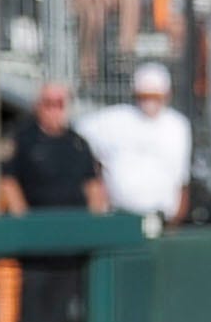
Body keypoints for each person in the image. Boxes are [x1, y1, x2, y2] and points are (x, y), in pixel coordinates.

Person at [0, 82, 106, 322]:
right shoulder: (24, 139)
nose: (55, 109)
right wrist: (24, 218)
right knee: (33, 300)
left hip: (71, 239)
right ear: (38, 106)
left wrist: (96, 222)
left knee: (60, 302)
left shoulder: (77, 143)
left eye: (60, 103)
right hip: (36, 239)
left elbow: (93, 185)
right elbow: (8, 180)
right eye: (49, 103)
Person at [78, 62, 192, 231]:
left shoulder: (178, 125)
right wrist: (98, 182)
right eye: (144, 96)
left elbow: (181, 179)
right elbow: (78, 137)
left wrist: (176, 220)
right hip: (118, 217)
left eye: (155, 96)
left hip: (162, 220)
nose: (150, 102)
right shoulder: (115, 119)